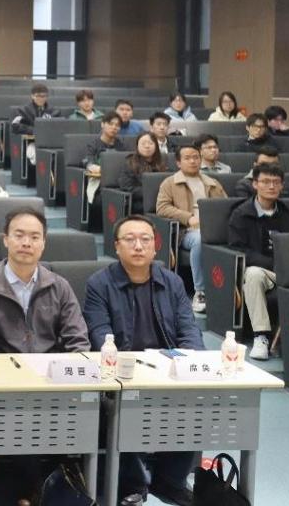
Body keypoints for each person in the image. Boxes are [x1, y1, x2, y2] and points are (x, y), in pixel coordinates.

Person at [83, 215, 204, 506]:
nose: (138, 246)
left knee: (196, 400)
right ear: (116, 246)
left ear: (155, 246)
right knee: (125, 403)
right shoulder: (99, 284)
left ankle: (171, 480)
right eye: (130, 239)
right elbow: (100, 335)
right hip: (123, 376)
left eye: (145, 239)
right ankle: (132, 483)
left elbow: (189, 330)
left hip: (168, 372)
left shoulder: (172, 282)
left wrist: (188, 362)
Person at [0, 208, 90, 354]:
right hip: (3, 366)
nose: (26, 243)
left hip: (49, 366)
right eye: (19, 236)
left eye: (34, 237)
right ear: (5, 240)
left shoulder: (59, 287)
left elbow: (77, 340)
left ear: (43, 243)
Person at [227, 163, 289, 360]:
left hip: (286, 271)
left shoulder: (287, 213)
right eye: (266, 181)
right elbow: (238, 248)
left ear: (282, 185)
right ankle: (261, 336)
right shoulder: (241, 213)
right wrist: (271, 263)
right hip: (261, 270)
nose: (271, 186)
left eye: (276, 182)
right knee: (253, 274)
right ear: (255, 184)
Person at [157, 145, 227, 314]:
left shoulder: (212, 182)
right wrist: (188, 217)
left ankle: (227, 292)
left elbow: (226, 205)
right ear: (178, 163)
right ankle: (200, 292)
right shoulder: (170, 183)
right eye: (187, 158)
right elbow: (162, 208)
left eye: (196, 157)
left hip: (213, 229)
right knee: (199, 239)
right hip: (186, 232)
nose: (193, 161)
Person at [118, 132, 168, 211]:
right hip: (140, 201)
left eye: (150, 143)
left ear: (156, 146)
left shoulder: (162, 162)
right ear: (137, 146)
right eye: (143, 143)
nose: (147, 146)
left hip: (163, 199)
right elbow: (127, 187)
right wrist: (150, 192)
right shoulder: (130, 163)